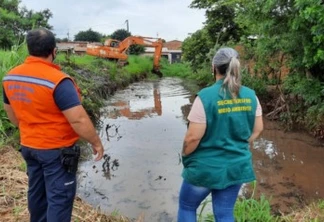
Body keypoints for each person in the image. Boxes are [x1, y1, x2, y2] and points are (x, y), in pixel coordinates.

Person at [2, 28, 104, 222]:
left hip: (29, 147)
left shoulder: (10, 77)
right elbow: (78, 119)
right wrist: (96, 141)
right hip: (56, 151)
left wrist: (28, 128)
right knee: (59, 198)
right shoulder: (58, 81)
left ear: (29, 49)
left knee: (37, 193)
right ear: (54, 51)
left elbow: (11, 113)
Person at [178, 47, 263, 222]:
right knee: (224, 214)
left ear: (214, 67)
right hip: (236, 168)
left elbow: (192, 138)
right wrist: (238, 144)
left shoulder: (205, 97)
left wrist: (185, 155)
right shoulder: (251, 96)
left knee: (187, 207)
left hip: (205, 170)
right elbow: (257, 129)